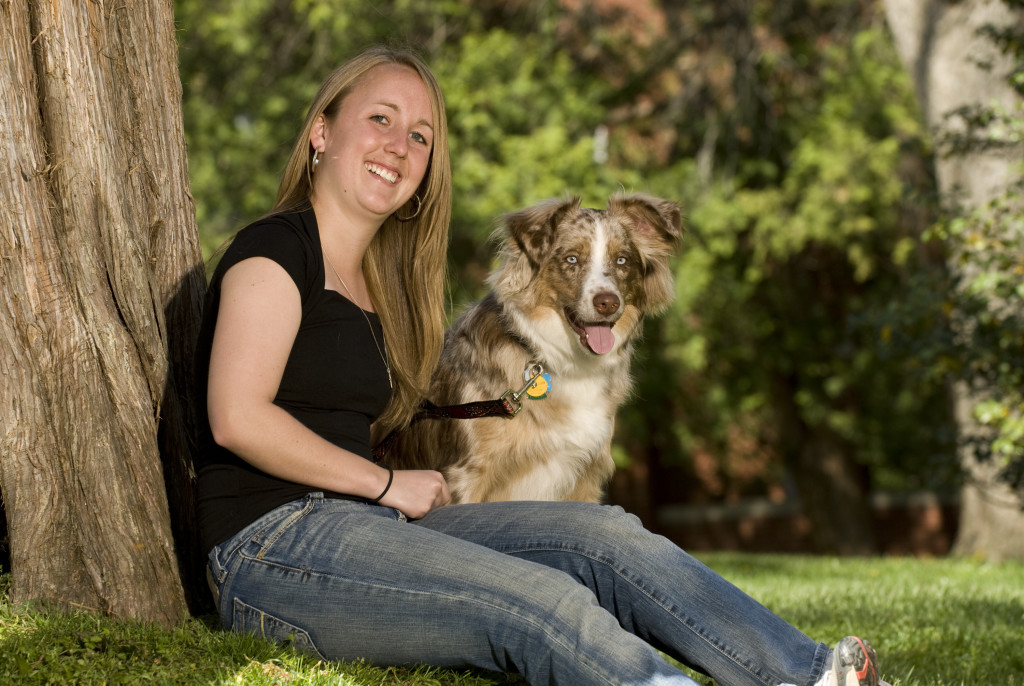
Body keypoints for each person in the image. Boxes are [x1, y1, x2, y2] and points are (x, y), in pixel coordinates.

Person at [195, 46, 887, 686]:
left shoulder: (387, 281)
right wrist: (382, 483)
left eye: (419, 135)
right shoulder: (274, 250)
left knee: (608, 539)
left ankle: (808, 674)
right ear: (322, 131)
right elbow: (237, 417)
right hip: (272, 549)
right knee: (542, 602)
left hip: (364, 527)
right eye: (379, 119)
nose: (398, 147)